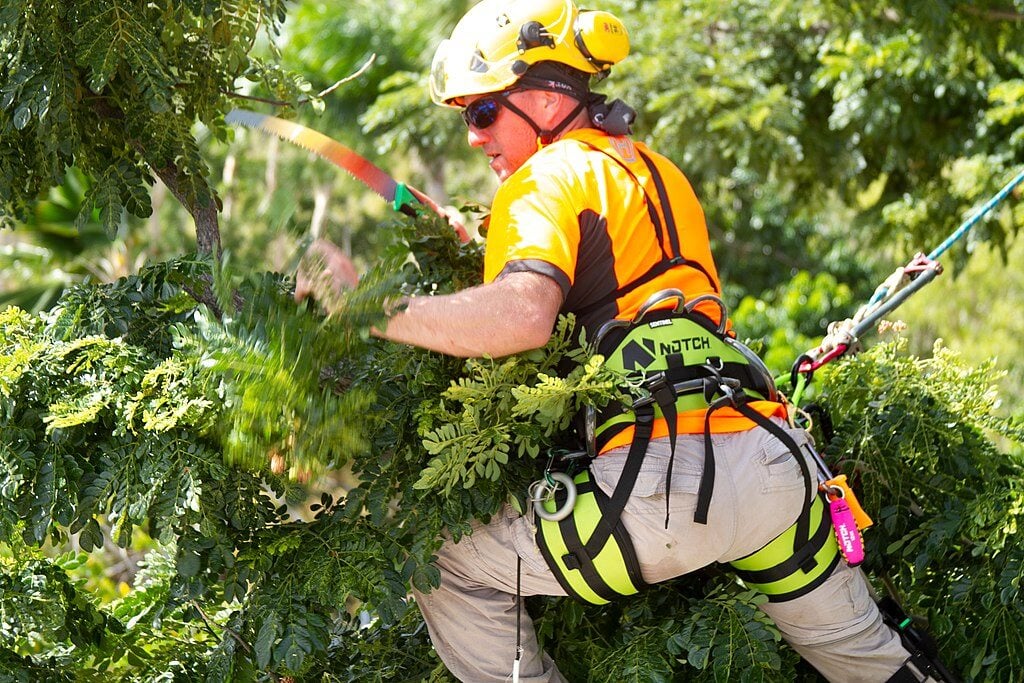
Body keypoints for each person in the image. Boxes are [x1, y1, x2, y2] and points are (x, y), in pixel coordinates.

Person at [297, 1, 940, 681]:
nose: (472, 136)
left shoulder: (539, 182)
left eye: (484, 113)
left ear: (546, 98)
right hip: (774, 467)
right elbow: (621, 286)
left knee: (444, 558)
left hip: (665, 486)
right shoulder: (659, 175)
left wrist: (365, 305)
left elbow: (523, 317)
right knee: (881, 667)